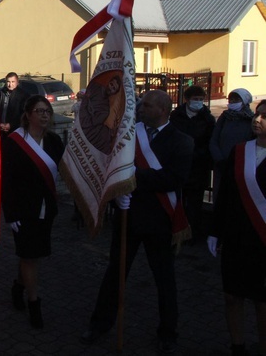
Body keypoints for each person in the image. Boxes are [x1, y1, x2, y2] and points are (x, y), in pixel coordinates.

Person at [80, 90, 193, 353]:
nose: (141, 109)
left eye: (148, 106)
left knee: (164, 279)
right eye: (141, 105)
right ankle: (99, 324)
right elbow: (114, 164)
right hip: (128, 215)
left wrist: (133, 177)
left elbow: (173, 179)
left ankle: (168, 332)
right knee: (115, 274)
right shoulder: (129, 134)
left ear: (164, 109)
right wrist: (119, 189)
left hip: (160, 221)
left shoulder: (182, 142)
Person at [0, 95, 64, 329]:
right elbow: (5, 181)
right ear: (28, 115)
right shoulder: (13, 143)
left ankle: (18, 286)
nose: (45, 115)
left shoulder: (55, 141)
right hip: (23, 210)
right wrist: (11, 214)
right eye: (39, 111)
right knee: (29, 256)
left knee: (32, 255)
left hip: (46, 209)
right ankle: (34, 302)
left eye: (47, 111)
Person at [208, 99, 266, 356]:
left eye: (264, 117)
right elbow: (226, 195)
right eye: (257, 115)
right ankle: (238, 346)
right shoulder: (240, 151)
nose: (257, 120)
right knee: (232, 296)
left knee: (262, 303)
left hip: (263, 242)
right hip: (237, 238)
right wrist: (215, 230)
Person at [169, 85, 215, 239]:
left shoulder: (207, 118)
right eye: (195, 99)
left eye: (201, 99)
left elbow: (210, 141)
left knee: (195, 203)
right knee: (179, 200)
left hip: (198, 166)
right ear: (187, 100)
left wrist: (199, 154)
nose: (198, 102)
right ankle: (177, 231)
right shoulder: (176, 116)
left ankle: (192, 233)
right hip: (179, 164)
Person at [211, 89, 255, 200]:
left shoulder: (251, 120)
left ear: (244, 101)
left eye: (237, 99)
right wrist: (219, 159)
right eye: (231, 99)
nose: (233, 102)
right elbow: (214, 140)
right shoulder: (224, 117)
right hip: (222, 165)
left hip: (241, 166)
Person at [0, 72, 27, 136]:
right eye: (8, 82)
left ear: (17, 82)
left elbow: (23, 114)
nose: (10, 84)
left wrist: (11, 125)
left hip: (16, 131)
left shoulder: (23, 95)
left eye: (13, 82)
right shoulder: (1, 93)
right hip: (1, 129)